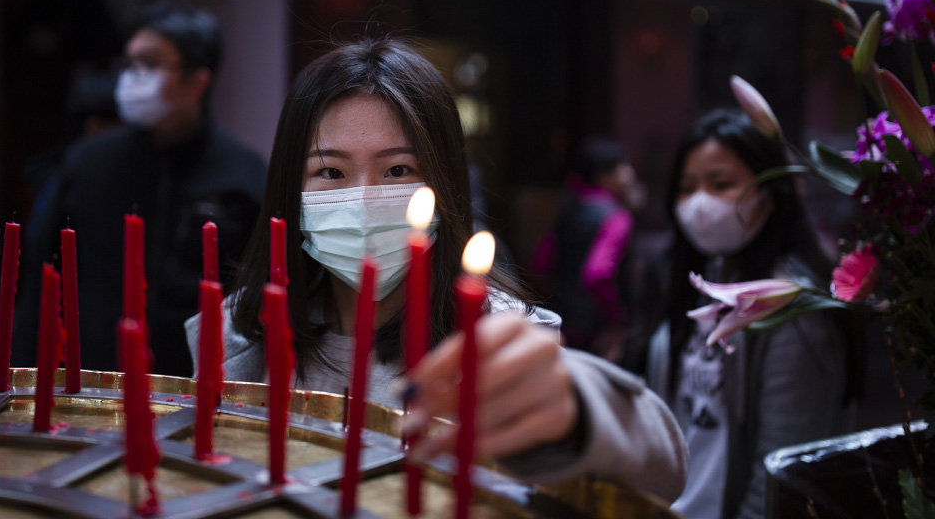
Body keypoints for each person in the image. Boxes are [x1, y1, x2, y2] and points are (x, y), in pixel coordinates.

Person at [185, 36, 686, 500]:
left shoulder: (494, 337)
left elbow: (662, 473)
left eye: (399, 170)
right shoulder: (243, 331)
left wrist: (579, 407)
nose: (362, 198)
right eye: (330, 172)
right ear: (290, 192)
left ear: (443, 186)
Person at [14, 1, 266, 377]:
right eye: (129, 64)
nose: (133, 77)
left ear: (197, 81)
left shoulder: (242, 175)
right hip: (95, 381)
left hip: (195, 385)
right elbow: (41, 271)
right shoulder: (88, 163)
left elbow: (256, 294)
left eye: (149, 64)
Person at [646, 108, 862, 519]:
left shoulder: (793, 310)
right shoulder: (699, 280)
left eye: (721, 183)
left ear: (769, 191)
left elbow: (780, 478)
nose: (699, 202)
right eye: (687, 187)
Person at [534, 138, 636, 361]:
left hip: (559, 318)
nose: (630, 173)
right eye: (623, 166)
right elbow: (598, 275)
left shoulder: (570, 207)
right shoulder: (616, 217)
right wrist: (615, 323)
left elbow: (541, 263)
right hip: (595, 330)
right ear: (604, 174)